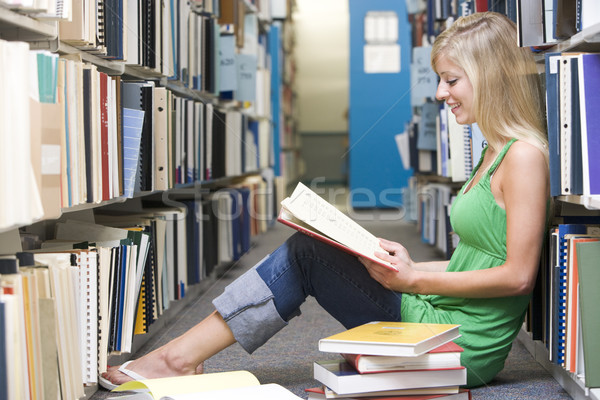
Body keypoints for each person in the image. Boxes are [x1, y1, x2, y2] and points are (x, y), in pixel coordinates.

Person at [101, 11, 549, 389]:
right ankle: (180, 358)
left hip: (458, 343)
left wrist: (412, 281)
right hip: (439, 315)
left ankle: (176, 360)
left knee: (308, 253)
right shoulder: (493, 153)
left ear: (488, 77)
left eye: (451, 80)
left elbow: (516, 277)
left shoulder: (524, 157)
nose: (438, 93)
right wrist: (402, 263)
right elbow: (477, 260)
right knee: (319, 246)